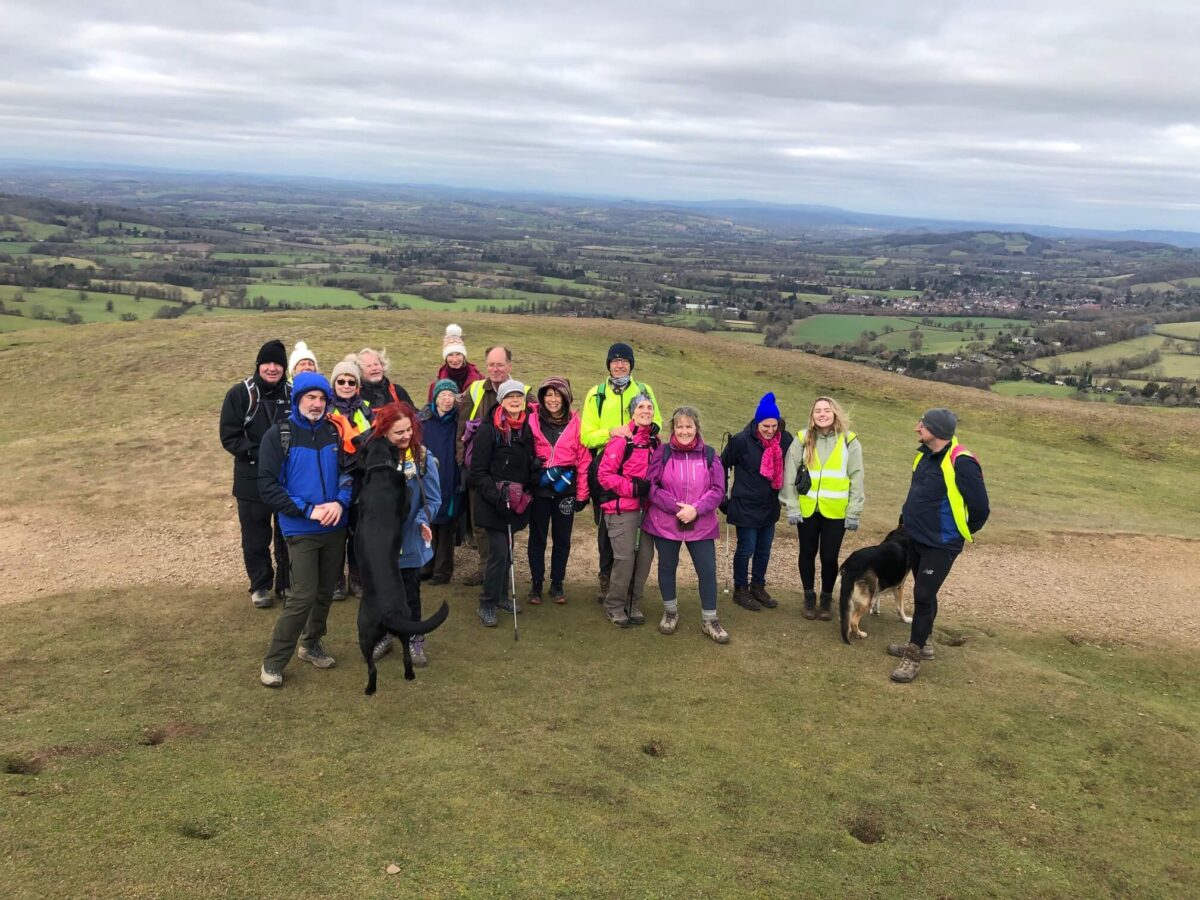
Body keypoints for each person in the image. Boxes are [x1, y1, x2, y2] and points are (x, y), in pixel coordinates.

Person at [257, 372, 353, 688]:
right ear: (298, 399)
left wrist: (339, 503)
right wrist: (309, 509)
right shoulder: (279, 435)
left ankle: (311, 644)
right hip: (300, 527)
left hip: (334, 526)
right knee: (302, 595)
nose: (317, 404)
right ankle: (273, 661)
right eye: (310, 397)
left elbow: (348, 475)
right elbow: (268, 486)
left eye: (322, 398)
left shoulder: (334, 432)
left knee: (326, 591)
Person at [889, 408, 989, 683]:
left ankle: (913, 655)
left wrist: (958, 534)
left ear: (937, 430)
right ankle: (924, 643)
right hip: (917, 537)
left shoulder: (963, 462)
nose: (917, 427)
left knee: (922, 595)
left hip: (941, 544)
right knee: (926, 594)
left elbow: (981, 508)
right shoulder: (923, 455)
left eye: (922, 424)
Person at [580, 342, 662, 603]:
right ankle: (607, 578)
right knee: (607, 527)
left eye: (624, 360)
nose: (619, 364)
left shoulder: (644, 390)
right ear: (608, 364)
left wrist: (641, 432)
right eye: (615, 360)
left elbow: (657, 423)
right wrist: (611, 433)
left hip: (638, 468)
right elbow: (586, 436)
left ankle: (629, 582)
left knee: (638, 525)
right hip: (604, 469)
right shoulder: (597, 394)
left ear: (631, 364)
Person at [644, 406, 729, 643]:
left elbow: (718, 490)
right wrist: (676, 507)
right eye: (680, 426)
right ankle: (670, 612)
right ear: (674, 428)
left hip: (700, 523)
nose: (684, 431)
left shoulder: (710, 455)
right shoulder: (662, 453)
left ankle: (710, 620)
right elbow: (651, 486)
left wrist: (696, 509)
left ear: (696, 428)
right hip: (666, 522)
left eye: (688, 426)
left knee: (707, 571)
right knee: (667, 567)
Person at [218, 339, 292, 608]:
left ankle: (286, 585)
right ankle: (260, 585)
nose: (272, 368)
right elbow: (230, 436)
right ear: (258, 365)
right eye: (267, 363)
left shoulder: (295, 394)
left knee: (287, 533)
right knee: (255, 536)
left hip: (286, 479)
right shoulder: (240, 394)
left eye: (278, 364)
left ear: (284, 368)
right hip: (251, 479)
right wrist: (261, 453)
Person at [368, 402, 442, 667]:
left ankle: (414, 638)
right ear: (384, 431)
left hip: (410, 539)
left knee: (410, 592)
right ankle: (386, 633)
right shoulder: (373, 456)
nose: (406, 436)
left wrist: (423, 520)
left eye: (408, 430)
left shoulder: (422, 458)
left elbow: (433, 499)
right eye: (398, 432)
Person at [781, 396, 864, 622]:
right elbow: (789, 475)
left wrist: (853, 511)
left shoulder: (849, 441)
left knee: (829, 557)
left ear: (835, 413)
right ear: (812, 415)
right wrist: (792, 506)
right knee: (807, 554)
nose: (822, 414)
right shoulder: (802, 439)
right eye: (817, 410)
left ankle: (826, 599)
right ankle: (809, 596)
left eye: (827, 410)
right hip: (807, 509)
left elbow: (857, 477)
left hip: (835, 511)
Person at [468, 379, 541, 627]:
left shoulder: (526, 428)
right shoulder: (489, 430)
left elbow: (526, 460)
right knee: (499, 552)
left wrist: (533, 472)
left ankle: (500, 596)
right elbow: (477, 472)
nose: (514, 400)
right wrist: (496, 496)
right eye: (509, 396)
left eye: (518, 396)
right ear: (501, 400)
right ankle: (486, 603)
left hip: (515, 500)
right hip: (493, 501)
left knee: (507, 551)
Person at [458, 346, 528, 586]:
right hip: (478, 469)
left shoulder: (523, 392)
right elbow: (461, 428)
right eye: (491, 364)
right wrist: (462, 464)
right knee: (480, 523)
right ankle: (485, 568)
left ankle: (501, 572)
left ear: (509, 365)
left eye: (500, 364)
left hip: (509, 473)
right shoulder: (475, 390)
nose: (495, 369)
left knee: (505, 524)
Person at [720, 392, 794, 611]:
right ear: (757, 422)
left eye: (774, 426)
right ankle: (740, 589)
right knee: (746, 548)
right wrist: (722, 498)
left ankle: (758, 586)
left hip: (769, 504)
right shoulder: (741, 441)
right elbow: (721, 466)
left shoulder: (785, 439)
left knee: (764, 550)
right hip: (745, 505)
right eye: (766, 426)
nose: (770, 430)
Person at [596, 392, 660, 628]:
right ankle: (614, 605)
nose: (646, 411)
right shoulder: (622, 440)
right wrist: (633, 488)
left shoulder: (654, 441)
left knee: (644, 558)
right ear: (632, 412)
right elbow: (604, 476)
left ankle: (633, 603)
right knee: (624, 559)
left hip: (647, 510)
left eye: (649, 407)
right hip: (622, 509)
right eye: (641, 407)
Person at [526, 377, 591, 605]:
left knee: (562, 539)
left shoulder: (577, 423)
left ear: (566, 397)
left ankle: (557, 584)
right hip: (540, 489)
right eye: (548, 394)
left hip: (566, 489)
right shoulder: (532, 420)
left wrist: (582, 493)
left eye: (557, 394)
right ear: (542, 397)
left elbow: (584, 460)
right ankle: (535, 584)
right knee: (537, 538)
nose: (552, 400)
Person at [327, 355, 374, 600]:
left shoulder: (366, 409)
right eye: (341, 381)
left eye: (351, 382)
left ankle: (357, 578)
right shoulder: (324, 410)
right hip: (333, 479)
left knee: (358, 532)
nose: (346, 386)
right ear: (333, 384)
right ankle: (336, 581)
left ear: (357, 386)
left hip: (361, 478)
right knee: (336, 532)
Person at [419, 379, 464, 585]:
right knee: (428, 522)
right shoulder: (424, 421)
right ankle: (427, 565)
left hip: (450, 476)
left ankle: (442, 571)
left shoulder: (459, 421)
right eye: (443, 395)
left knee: (446, 526)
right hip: (428, 477)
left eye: (451, 396)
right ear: (435, 397)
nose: (447, 400)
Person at [427, 323, 483, 401]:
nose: (455, 359)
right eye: (450, 355)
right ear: (445, 358)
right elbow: (431, 410)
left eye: (458, 354)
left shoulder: (480, 380)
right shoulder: (436, 385)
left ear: (464, 356)